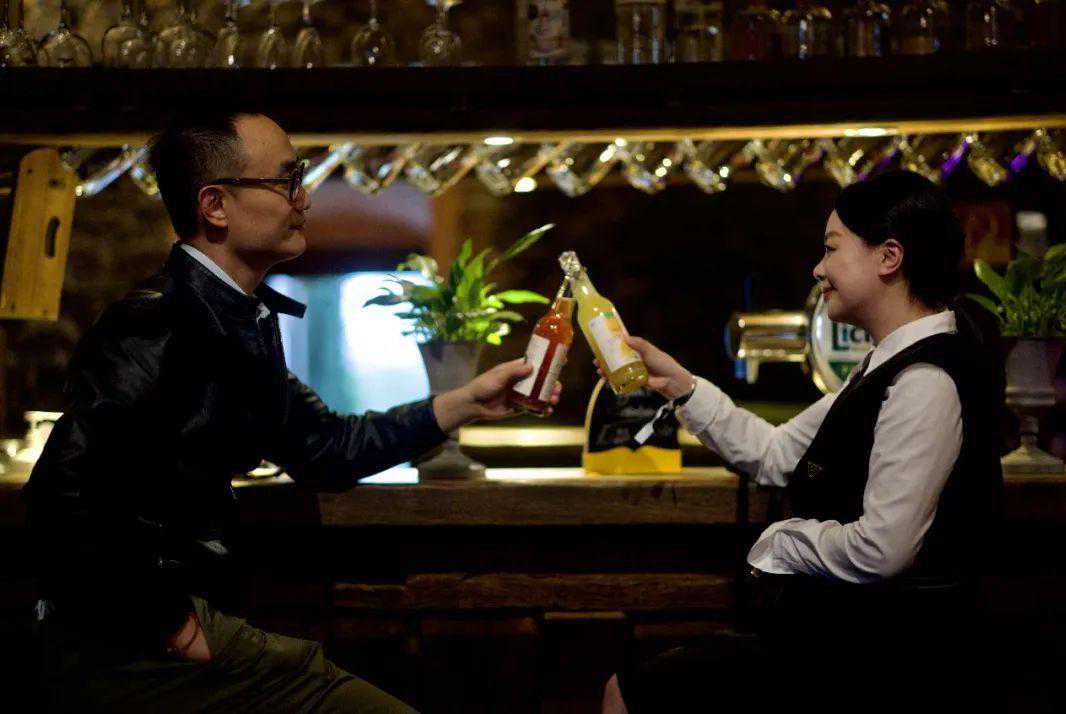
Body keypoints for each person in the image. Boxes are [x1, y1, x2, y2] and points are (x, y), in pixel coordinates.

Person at [23, 111, 556, 713]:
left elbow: (324, 447)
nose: (304, 198)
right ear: (215, 206)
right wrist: (169, 624)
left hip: (190, 621)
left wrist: (466, 402)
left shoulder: (234, 318)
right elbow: (62, 494)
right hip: (137, 645)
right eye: (285, 180)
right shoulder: (158, 323)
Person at [602, 171, 1005, 713]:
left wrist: (787, 540)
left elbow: (883, 551)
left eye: (832, 248)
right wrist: (680, 385)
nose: (819, 268)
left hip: (887, 659)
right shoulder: (886, 364)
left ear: (889, 257)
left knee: (632, 690)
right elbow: (774, 453)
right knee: (631, 684)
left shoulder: (924, 379)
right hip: (844, 641)